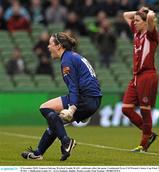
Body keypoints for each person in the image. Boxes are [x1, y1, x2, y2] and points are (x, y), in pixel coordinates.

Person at [21, 32, 102, 161]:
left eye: (50, 43)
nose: (48, 47)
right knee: (56, 123)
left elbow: (73, 88)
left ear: (58, 46)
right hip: (92, 99)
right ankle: (38, 153)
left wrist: (73, 108)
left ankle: (66, 141)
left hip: (85, 98)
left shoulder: (67, 60)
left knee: (44, 108)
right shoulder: (73, 56)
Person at [121, 7, 159, 152]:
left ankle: (144, 143)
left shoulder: (151, 35)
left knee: (144, 109)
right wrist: (139, 11)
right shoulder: (137, 34)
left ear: (144, 23)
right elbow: (125, 14)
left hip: (147, 75)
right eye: (134, 21)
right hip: (136, 76)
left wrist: (148, 13)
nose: (134, 22)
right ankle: (149, 134)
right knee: (126, 109)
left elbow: (150, 18)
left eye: (137, 21)